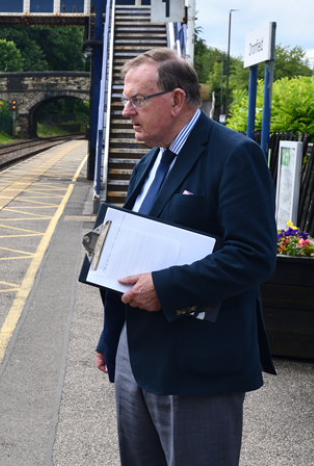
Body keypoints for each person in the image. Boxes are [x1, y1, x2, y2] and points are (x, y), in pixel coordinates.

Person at [95, 48, 276, 466]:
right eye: (125, 101)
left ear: (176, 100)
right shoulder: (148, 164)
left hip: (198, 365)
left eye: (137, 100)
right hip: (135, 355)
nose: (126, 112)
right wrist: (111, 335)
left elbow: (253, 255)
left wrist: (166, 287)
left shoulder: (233, 155)